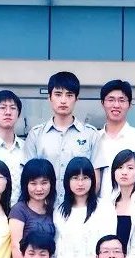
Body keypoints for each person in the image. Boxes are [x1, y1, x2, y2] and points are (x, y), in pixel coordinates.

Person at [23, 71, 99, 204]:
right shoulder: (36, 134)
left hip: (78, 209)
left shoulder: (90, 134)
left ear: (76, 98)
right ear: (49, 97)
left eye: (69, 95)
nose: (63, 100)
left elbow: (96, 176)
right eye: (58, 94)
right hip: (44, 210)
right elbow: (28, 176)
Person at [52, 156, 117, 258]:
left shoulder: (104, 208)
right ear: (67, 181)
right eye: (75, 178)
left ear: (92, 180)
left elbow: (110, 244)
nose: (80, 183)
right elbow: (56, 248)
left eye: (85, 178)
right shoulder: (59, 211)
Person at [93, 80, 135, 197]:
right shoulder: (94, 139)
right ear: (102, 103)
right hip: (101, 207)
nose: (116, 105)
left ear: (130, 104)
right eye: (111, 100)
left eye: (122, 100)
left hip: (133, 207)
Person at [8, 158, 57, 258]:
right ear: (26, 185)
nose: (39, 188)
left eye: (44, 183)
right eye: (33, 183)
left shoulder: (53, 211)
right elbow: (15, 246)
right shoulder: (19, 210)